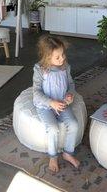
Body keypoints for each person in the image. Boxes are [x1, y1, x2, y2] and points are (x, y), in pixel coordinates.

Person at [33, 35, 80, 173]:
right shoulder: (40, 69)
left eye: (63, 54)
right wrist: (51, 102)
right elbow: (36, 92)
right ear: (47, 58)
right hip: (45, 106)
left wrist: (69, 95)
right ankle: (53, 156)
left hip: (61, 103)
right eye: (57, 57)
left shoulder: (65, 67)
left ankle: (67, 153)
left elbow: (71, 84)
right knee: (53, 128)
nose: (62, 59)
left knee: (74, 124)